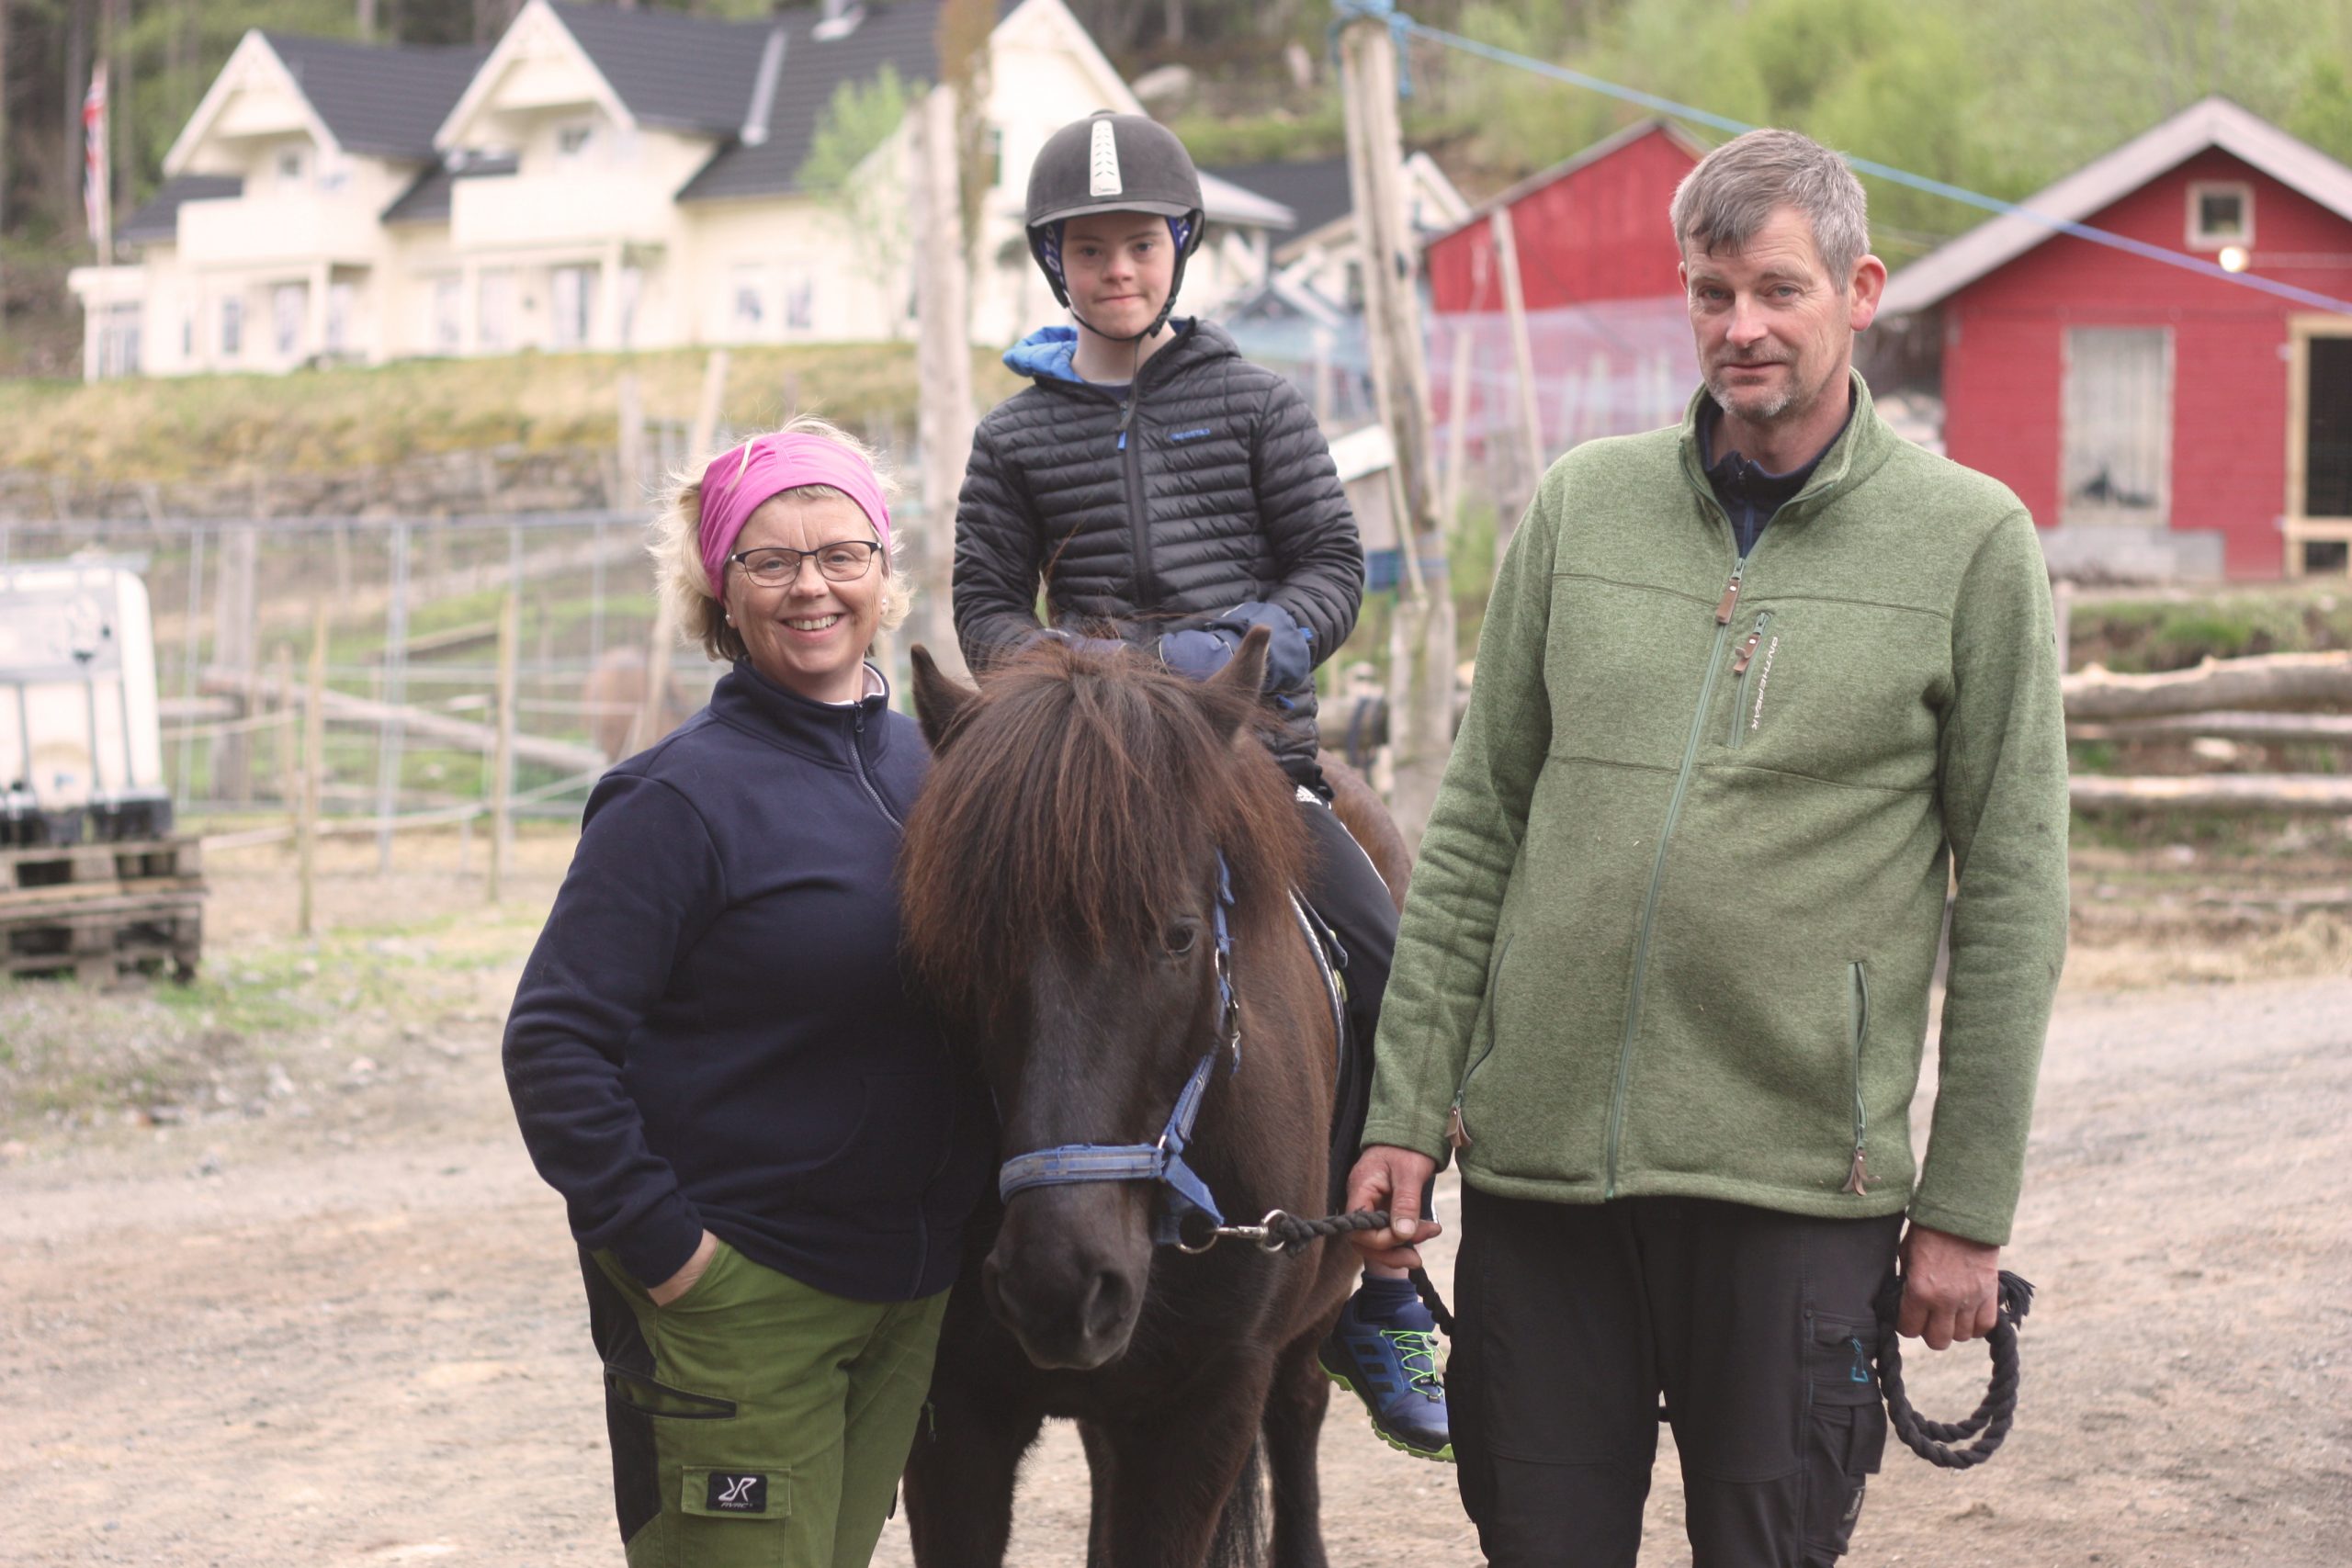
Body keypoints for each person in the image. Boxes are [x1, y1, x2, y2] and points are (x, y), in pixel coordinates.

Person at [1344, 128, 2070, 1565]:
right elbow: (1479, 824)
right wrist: (1404, 1110)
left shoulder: (1971, 542)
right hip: (1545, 1179)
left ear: (1858, 290)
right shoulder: (1579, 505)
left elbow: (2014, 894)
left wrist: (1967, 1209)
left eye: (1777, 289)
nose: (1741, 326)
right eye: (1711, 291)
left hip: (1795, 1184)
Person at [952, 108, 1452, 1461]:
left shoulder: (1256, 401)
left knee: (1390, 952)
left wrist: (1239, 648)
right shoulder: (1016, 438)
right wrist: (1079, 670)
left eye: (1138, 245)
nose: (1117, 269)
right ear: (1057, 266)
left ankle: (1381, 1277)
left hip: (1250, 760)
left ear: (1180, 250)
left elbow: (1334, 568)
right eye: (1089, 249)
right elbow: (985, 604)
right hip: (1100, 775)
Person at [503, 417, 994, 1567]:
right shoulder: (676, 801)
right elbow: (554, 1046)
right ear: (720, 593)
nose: (810, 587)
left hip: (906, 1294)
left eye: (841, 554)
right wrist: (674, 1257)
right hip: (745, 1291)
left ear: (885, 571)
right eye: (769, 562)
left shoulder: (936, 771)